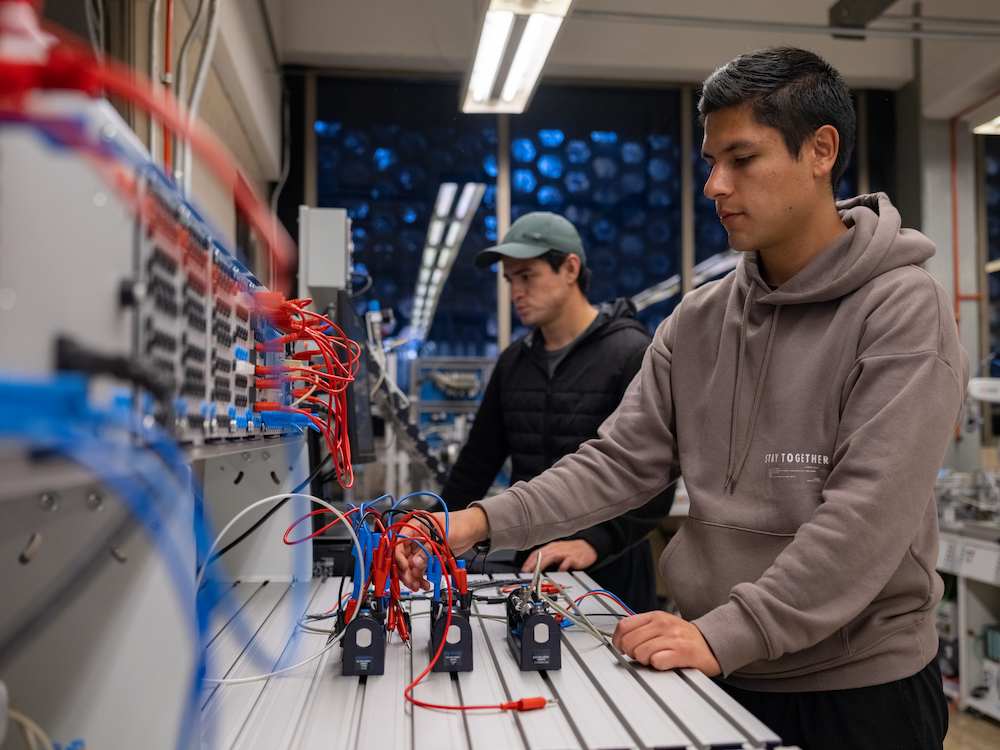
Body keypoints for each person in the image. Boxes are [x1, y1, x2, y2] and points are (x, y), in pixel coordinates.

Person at [399, 47, 967, 750]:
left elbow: (867, 518)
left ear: (821, 151)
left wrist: (727, 633)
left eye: (742, 158)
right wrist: (474, 522)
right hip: (714, 668)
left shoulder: (902, 309)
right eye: (710, 162)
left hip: (855, 689)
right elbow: (617, 463)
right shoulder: (698, 322)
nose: (714, 186)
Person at [440, 210, 674, 613]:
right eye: (510, 279)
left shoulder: (631, 354)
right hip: (528, 566)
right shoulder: (514, 362)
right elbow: (474, 467)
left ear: (569, 268)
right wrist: (432, 530)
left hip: (608, 572)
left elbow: (657, 475)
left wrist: (593, 541)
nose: (516, 291)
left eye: (527, 276)